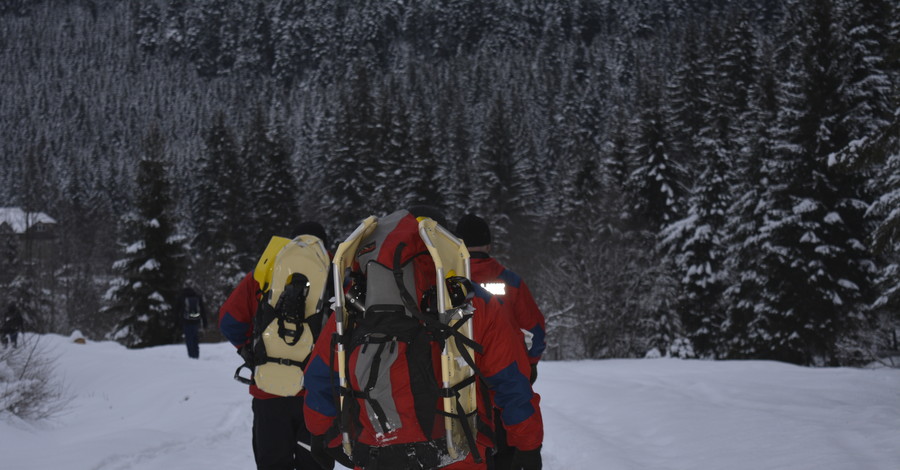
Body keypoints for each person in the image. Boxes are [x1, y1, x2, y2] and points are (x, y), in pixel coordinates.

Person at [302, 210, 543, 470]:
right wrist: (528, 444)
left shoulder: (356, 304)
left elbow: (320, 372)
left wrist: (318, 431)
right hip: (457, 456)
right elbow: (510, 381)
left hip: (375, 455)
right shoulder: (473, 301)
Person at [219, 221, 332, 470]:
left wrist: (249, 351)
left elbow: (229, 320)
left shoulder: (266, 272)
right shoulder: (334, 274)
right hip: (316, 396)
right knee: (314, 464)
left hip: (268, 392)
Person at [454, 213, 547, 470]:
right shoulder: (510, 281)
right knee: (507, 450)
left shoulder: (446, 284)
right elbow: (535, 329)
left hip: (460, 388)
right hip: (505, 381)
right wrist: (530, 363)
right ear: (488, 245)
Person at [175, 285, 207, 359]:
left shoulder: (182, 297)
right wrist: (205, 322)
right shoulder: (197, 297)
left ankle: (191, 356)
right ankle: (196, 355)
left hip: (186, 321)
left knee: (189, 339)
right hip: (196, 320)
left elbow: (176, 311)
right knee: (195, 338)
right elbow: (203, 311)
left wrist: (177, 323)